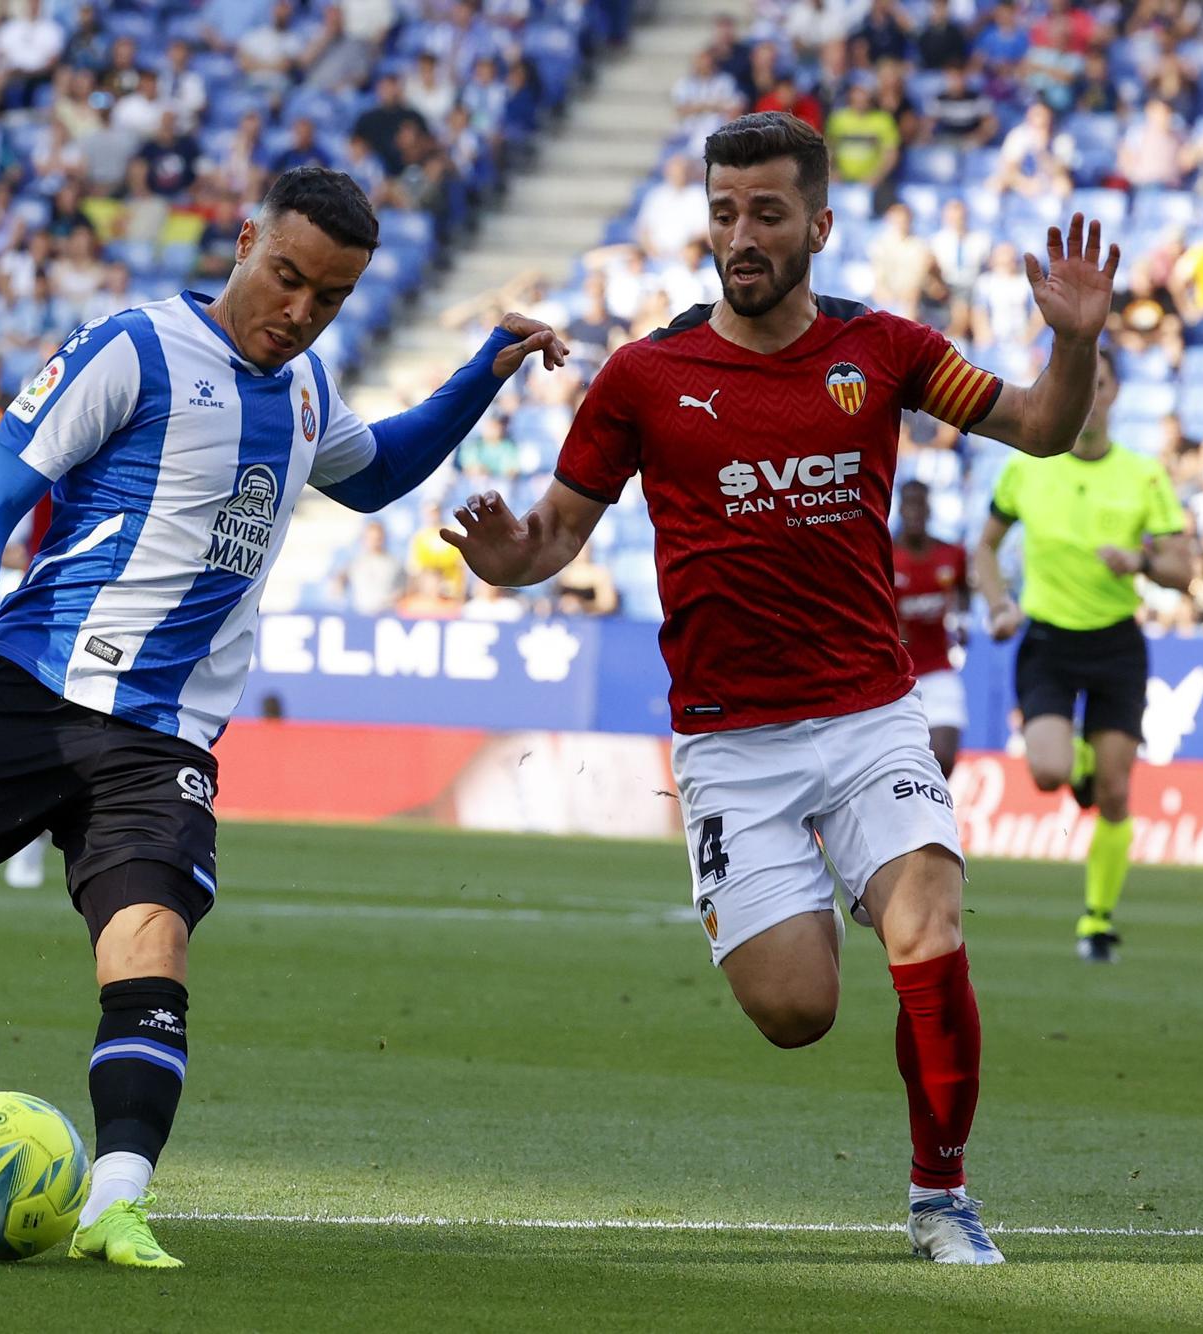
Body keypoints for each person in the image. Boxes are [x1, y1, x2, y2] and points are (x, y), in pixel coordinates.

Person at [0, 168, 565, 1271]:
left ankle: (116, 1198)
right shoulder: (130, 350)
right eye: (285, 277)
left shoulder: (303, 390)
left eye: (327, 298)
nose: (298, 311)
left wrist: (483, 370)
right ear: (242, 242)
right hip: (31, 697)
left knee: (151, 942)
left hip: (164, 739)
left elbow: (375, 474)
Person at [442, 112, 1122, 1265]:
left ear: (816, 221)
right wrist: (505, 557)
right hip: (727, 742)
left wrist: (1069, 345)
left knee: (928, 922)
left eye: (764, 213)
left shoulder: (887, 349)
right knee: (797, 1009)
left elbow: (1043, 429)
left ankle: (939, 1196)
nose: (739, 236)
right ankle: (831, 897)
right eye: (721, 213)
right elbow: (552, 536)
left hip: (868, 711)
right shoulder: (643, 377)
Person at [973, 347, 1197, 966]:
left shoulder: (1143, 475)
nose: (1090, 396)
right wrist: (998, 605)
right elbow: (985, 550)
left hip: (1116, 642)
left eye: (1100, 384)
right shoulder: (1027, 468)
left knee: (1117, 791)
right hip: (1047, 638)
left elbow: (1185, 569)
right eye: (1081, 383)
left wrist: (1144, 561)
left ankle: (1097, 920)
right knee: (1047, 773)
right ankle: (1076, 767)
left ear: (1117, 393)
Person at [892, 481, 969, 775]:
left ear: (929, 508)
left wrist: (961, 620)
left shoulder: (951, 554)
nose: (913, 512)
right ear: (899, 508)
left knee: (944, 758)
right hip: (898, 677)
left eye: (919, 504)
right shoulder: (885, 556)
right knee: (902, 765)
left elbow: (964, 592)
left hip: (939, 671)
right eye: (908, 504)